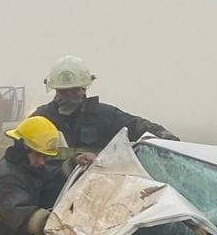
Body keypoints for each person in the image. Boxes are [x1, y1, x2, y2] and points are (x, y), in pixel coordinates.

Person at [30, 57, 178, 164]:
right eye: (63, 92)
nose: (69, 96)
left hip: (99, 190)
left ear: (84, 88)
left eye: (74, 91)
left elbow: (137, 126)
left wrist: (169, 142)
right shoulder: (40, 118)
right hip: (51, 194)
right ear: (55, 90)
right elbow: (21, 157)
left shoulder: (105, 116)